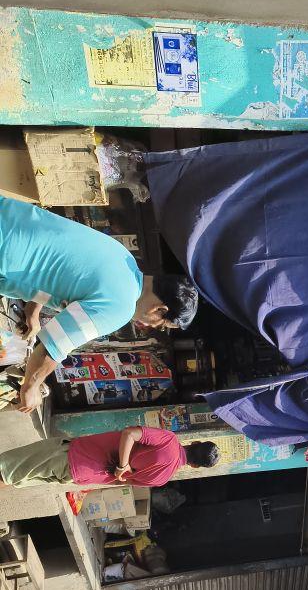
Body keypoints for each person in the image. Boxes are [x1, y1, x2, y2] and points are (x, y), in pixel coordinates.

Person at [0, 195, 199, 414]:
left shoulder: (123, 257)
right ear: (160, 310)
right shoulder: (120, 308)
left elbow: (60, 258)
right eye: (160, 325)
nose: (151, 326)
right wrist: (31, 386)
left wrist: (33, 310)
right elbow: (52, 347)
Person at [0, 426, 220, 489]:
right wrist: (123, 470)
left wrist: (122, 464)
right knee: (14, 477)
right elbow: (123, 481)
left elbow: (130, 434)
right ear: (195, 466)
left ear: (195, 443)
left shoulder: (169, 440)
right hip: (79, 476)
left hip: (74, 455)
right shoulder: (162, 479)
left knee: (8, 469)